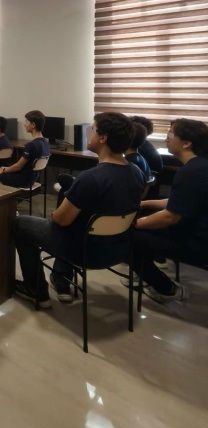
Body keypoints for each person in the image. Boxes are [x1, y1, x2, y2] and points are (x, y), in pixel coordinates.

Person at [12, 112, 145, 308]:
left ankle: (36, 290)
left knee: (19, 224)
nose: (87, 133)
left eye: (92, 129)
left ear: (103, 137)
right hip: (118, 250)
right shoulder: (137, 173)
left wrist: (54, 214)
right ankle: (59, 278)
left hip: (82, 251)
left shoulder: (90, 178)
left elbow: (61, 220)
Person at [131, 118, 208, 303]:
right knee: (144, 221)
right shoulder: (200, 166)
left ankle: (166, 288)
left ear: (187, 143)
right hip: (197, 231)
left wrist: (133, 224)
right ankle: (146, 275)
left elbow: (171, 217)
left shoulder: (190, 172)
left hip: (198, 243)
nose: (166, 138)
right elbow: (179, 201)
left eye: (171, 134)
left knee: (126, 237)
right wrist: (144, 204)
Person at [0, 110, 50, 187]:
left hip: (23, 180)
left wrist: (3, 169)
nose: (24, 124)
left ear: (33, 125)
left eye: (26, 122)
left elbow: (18, 166)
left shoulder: (31, 145)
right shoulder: (45, 142)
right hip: (32, 179)